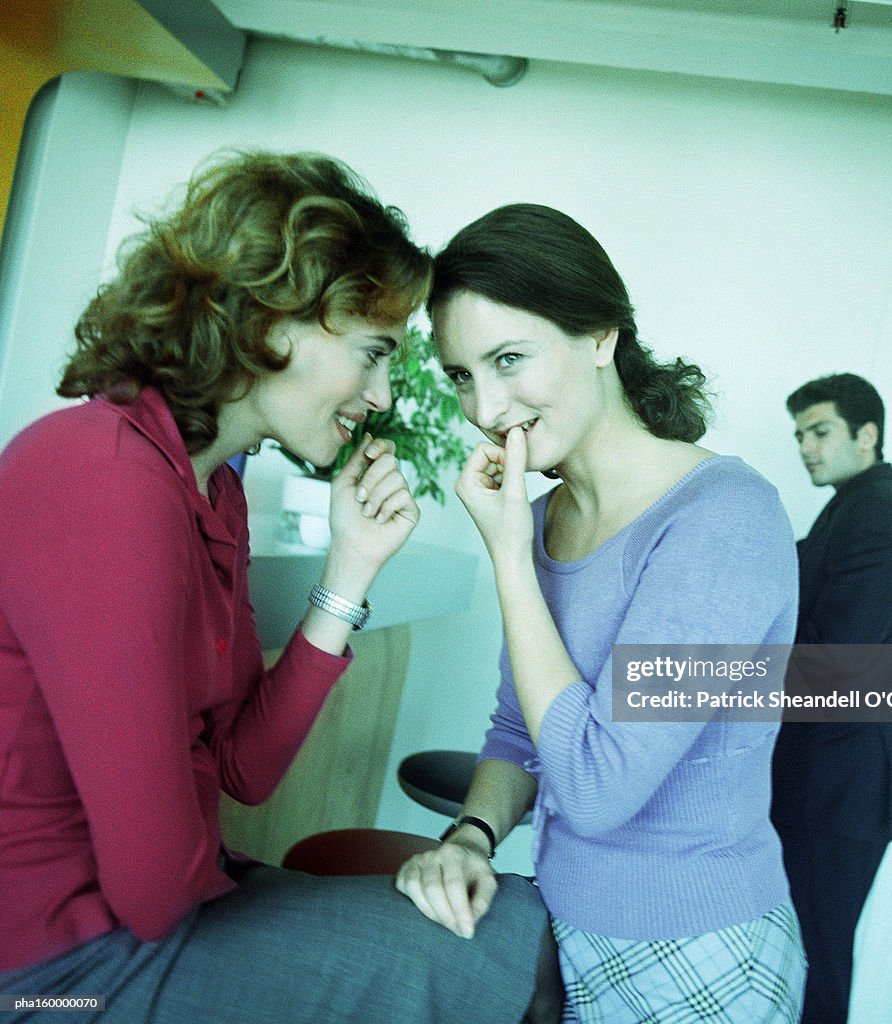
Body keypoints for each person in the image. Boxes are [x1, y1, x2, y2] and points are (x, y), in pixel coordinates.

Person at [0, 151, 552, 1023]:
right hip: (54, 970)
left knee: (509, 925)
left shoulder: (210, 487)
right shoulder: (99, 479)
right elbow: (155, 888)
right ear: (273, 317)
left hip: (164, 908)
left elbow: (244, 772)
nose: (379, 396)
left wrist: (351, 568)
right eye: (373, 354)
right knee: (508, 961)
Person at [396, 203, 806, 1024]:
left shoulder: (724, 520)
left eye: (510, 359)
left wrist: (509, 557)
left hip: (699, 958)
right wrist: (473, 835)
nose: (485, 407)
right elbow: (524, 730)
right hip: (565, 930)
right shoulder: (543, 519)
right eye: (462, 376)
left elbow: (594, 785)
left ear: (599, 337)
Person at [770, 373, 892, 1024]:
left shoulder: (882, 518)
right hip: (828, 779)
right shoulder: (850, 508)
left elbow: (834, 662)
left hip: (842, 789)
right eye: (800, 435)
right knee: (798, 953)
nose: (807, 447)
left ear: (867, 435)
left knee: (816, 962)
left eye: (821, 431)